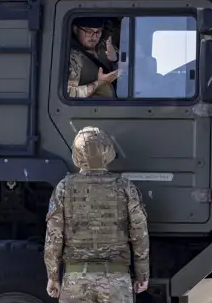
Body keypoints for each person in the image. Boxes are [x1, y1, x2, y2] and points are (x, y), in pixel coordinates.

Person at [43, 126, 150, 302]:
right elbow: (140, 233)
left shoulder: (63, 188)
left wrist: (53, 277)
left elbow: (53, 236)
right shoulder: (125, 187)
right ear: (108, 152)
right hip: (116, 281)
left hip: (76, 281)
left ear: (77, 155)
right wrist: (142, 274)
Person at [67, 18, 121, 98]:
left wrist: (115, 59)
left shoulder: (105, 45)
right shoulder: (72, 58)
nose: (94, 36)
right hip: (94, 108)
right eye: (89, 31)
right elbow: (66, 93)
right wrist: (98, 83)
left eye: (98, 31)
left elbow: (125, 72)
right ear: (75, 29)